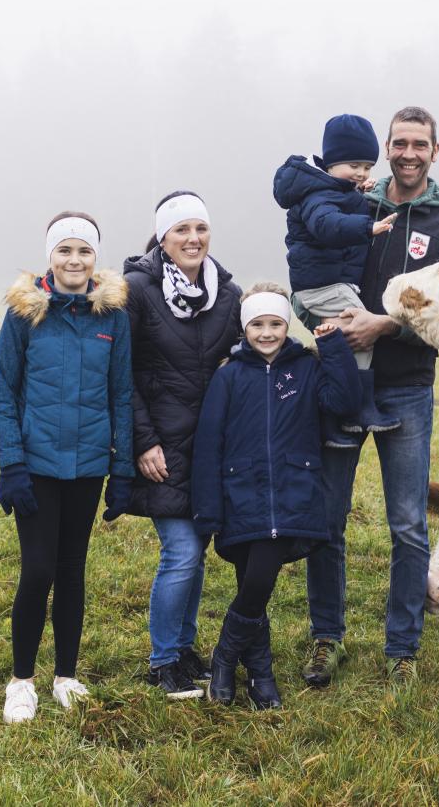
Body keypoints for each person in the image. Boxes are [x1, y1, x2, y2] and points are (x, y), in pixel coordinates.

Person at [297, 107, 439, 687]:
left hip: (407, 391)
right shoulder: (351, 201)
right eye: (399, 142)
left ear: (435, 151)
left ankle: (402, 649)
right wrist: (316, 317)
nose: (408, 153)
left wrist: (386, 325)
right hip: (339, 382)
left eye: (419, 144)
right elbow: (308, 264)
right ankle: (327, 638)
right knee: (328, 520)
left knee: (406, 525)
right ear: (387, 148)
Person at [0, 211, 134, 724]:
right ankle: (21, 680)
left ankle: (66, 676)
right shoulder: (24, 314)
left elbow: (121, 393)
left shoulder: (112, 317)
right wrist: (12, 465)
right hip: (37, 465)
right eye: (65, 251)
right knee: (40, 569)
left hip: (89, 464)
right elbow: (2, 395)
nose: (75, 260)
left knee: (72, 570)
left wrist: (124, 469)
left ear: (96, 258)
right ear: (50, 256)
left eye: (84, 251)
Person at [191, 283, 359, 708]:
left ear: (287, 325)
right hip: (239, 495)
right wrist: (208, 511)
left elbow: (344, 401)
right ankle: (260, 675)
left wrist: (333, 347)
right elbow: (209, 443)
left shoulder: (304, 368)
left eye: (275, 324)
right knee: (251, 582)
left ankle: (227, 657)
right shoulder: (229, 376)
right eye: (258, 324)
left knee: (259, 580)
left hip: (289, 495)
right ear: (245, 327)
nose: (267, 333)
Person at [116, 191, 242, 699]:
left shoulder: (228, 294)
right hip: (160, 446)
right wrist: (142, 442)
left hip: (211, 448)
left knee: (198, 550)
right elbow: (118, 374)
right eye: (181, 230)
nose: (193, 239)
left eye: (201, 229)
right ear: (163, 239)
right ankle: (163, 659)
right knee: (182, 552)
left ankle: (185, 650)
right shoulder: (136, 290)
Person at [273, 114, 399, 448]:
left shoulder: (333, 188)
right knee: (363, 330)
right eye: (353, 165)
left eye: (367, 168)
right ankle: (358, 408)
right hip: (322, 286)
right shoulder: (318, 196)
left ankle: (338, 417)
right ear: (331, 162)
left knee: (341, 345)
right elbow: (326, 225)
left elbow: (343, 199)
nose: (361, 174)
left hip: (326, 284)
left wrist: (357, 189)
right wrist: (366, 227)